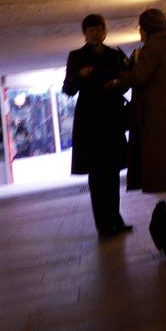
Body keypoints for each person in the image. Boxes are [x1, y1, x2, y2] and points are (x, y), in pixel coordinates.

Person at [109, 8, 166, 203]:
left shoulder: (151, 48)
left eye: (141, 27)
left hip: (158, 117)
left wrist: (121, 76)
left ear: (147, 28)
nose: (139, 31)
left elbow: (139, 78)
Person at [62, 14, 132, 237]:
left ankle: (115, 218)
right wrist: (80, 75)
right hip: (90, 121)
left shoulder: (115, 55)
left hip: (112, 118)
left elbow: (126, 83)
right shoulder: (76, 57)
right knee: (97, 174)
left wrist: (119, 81)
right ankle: (103, 224)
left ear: (104, 32)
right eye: (90, 30)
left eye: (98, 29)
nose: (94, 33)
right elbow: (68, 89)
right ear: (85, 34)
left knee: (112, 172)